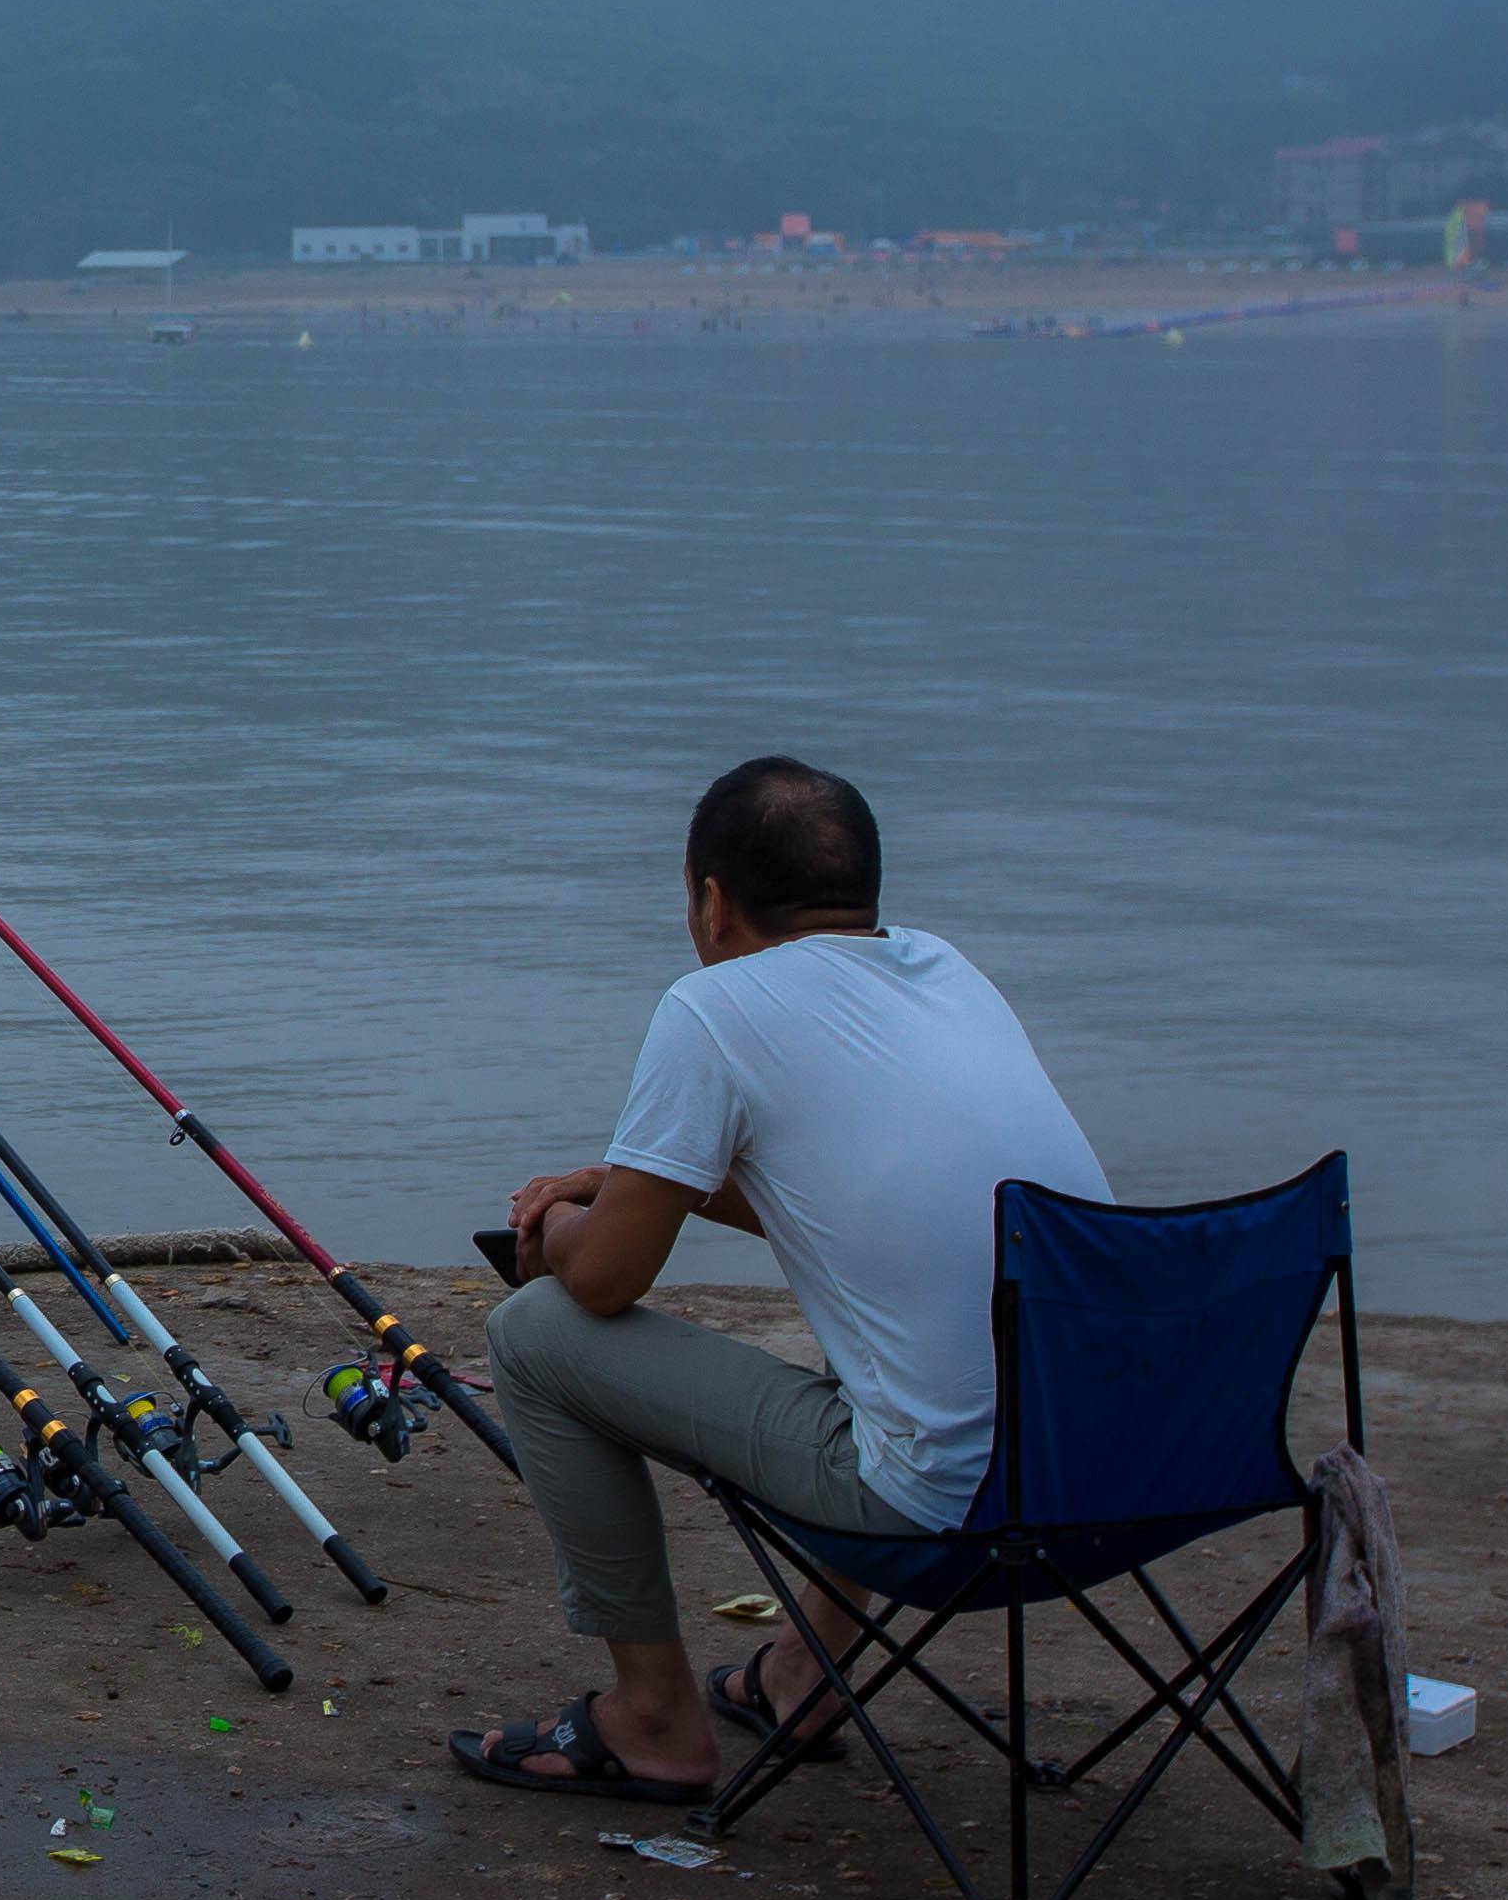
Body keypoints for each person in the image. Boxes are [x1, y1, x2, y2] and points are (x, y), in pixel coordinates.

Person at [444, 755, 1111, 1803]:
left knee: (534, 1334)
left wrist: (562, 1223)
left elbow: (606, 1281)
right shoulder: (946, 971)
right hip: (1119, 1472)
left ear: (710, 901)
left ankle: (653, 1721)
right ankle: (801, 1675)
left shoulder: (712, 1006)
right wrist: (625, 1180)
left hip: (951, 1510)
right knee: (902, 1345)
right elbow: (850, 1205)